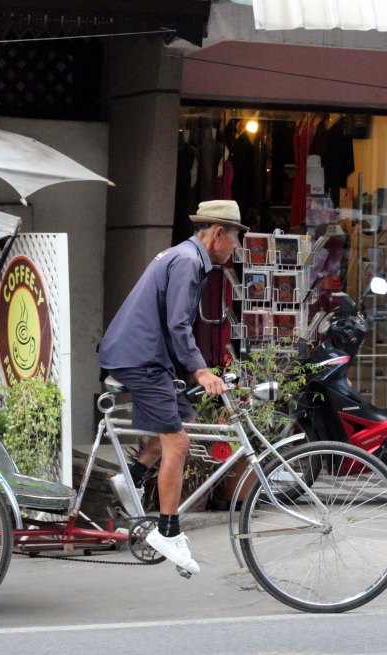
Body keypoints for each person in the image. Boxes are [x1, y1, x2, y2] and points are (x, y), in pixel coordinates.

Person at [99, 199, 247, 575]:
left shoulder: (184, 256)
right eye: (235, 239)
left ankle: (131, 476)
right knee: (178, 441)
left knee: (184, 415)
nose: (236, 248)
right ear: (217, 233)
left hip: (144, 355)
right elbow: (179, 325)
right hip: (139, 357)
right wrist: (200, 372)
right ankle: (168, 531)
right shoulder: (188, 262)